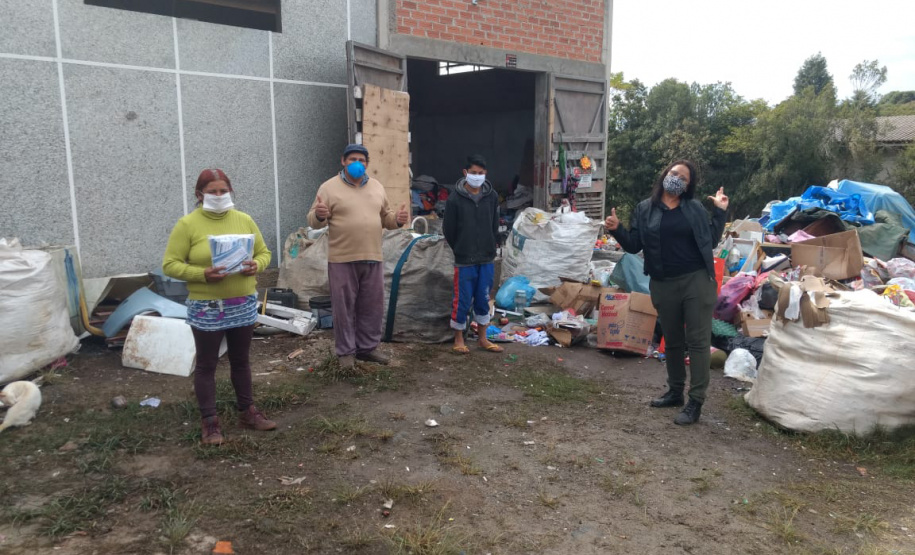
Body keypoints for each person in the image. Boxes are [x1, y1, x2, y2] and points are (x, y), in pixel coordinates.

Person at [604, 160, 728, 426]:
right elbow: (634, 244)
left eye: (683, 178)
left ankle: (695, 401)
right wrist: (617, 230)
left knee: (696, 341)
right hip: (663, 282)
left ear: (687, 186)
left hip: (696, 280)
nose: (677, 179)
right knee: (672, 340)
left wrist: (720, 212)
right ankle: (675, 391)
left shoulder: (693, 208)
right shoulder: (644, 209)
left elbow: (712, 240)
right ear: (664, 175)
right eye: (674, 174)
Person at [163, 168, 276, 446]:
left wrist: (256, 266)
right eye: (212, 191)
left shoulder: (244, 220)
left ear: (230, 191)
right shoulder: (188, 225)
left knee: (241, 360)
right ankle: (210, 422)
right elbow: (170, 264)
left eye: (223, 190)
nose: (218, 195)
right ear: (199, 195)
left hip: (242, 302)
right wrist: (202, 274)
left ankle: (248, 412)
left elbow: (264, 253)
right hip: (207, 305)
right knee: (206, 364)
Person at [307, 144, 409, 369]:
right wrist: (319, 215)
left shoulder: (377, 187)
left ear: (367, 164)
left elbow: (387, 218)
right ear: (343, 161)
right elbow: (313, 220)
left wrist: (399, 219)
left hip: (373, 257)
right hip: (342, 258)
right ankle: (345, 353)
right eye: (352, 159)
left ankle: (367, 349)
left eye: (361, 160)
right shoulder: (328, 188)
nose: (357, 163)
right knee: (344, 308)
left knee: (371, 306)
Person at [443, 154, 502, 354]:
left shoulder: (491, 197)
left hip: (486, 258)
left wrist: (489, 246)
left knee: (484, 298)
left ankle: (483, 339)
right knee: (462, 300)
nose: (477, 176)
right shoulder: (454, 199)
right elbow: (448, 230)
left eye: (481, 173)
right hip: (464, 259)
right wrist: (460, 247)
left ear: (485, 174)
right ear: (465, 173)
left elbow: (495, 225)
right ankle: (459, 339)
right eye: (474, 173)